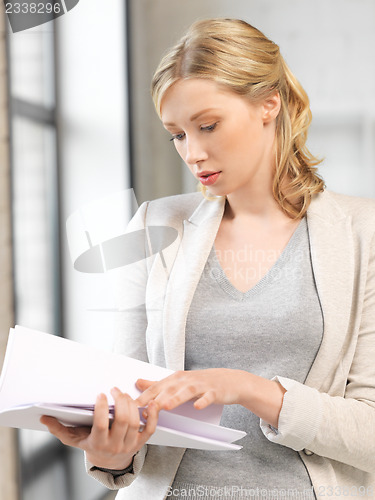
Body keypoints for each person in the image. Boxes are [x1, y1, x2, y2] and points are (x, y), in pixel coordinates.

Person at [41, 18, 375, 499]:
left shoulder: (362, 234)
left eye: (208, 125)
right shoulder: (156, 227)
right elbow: (127, 399)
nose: (192, 152)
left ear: (269, 103)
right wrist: (109, 453)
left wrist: (245, 388)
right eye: (176, 134)